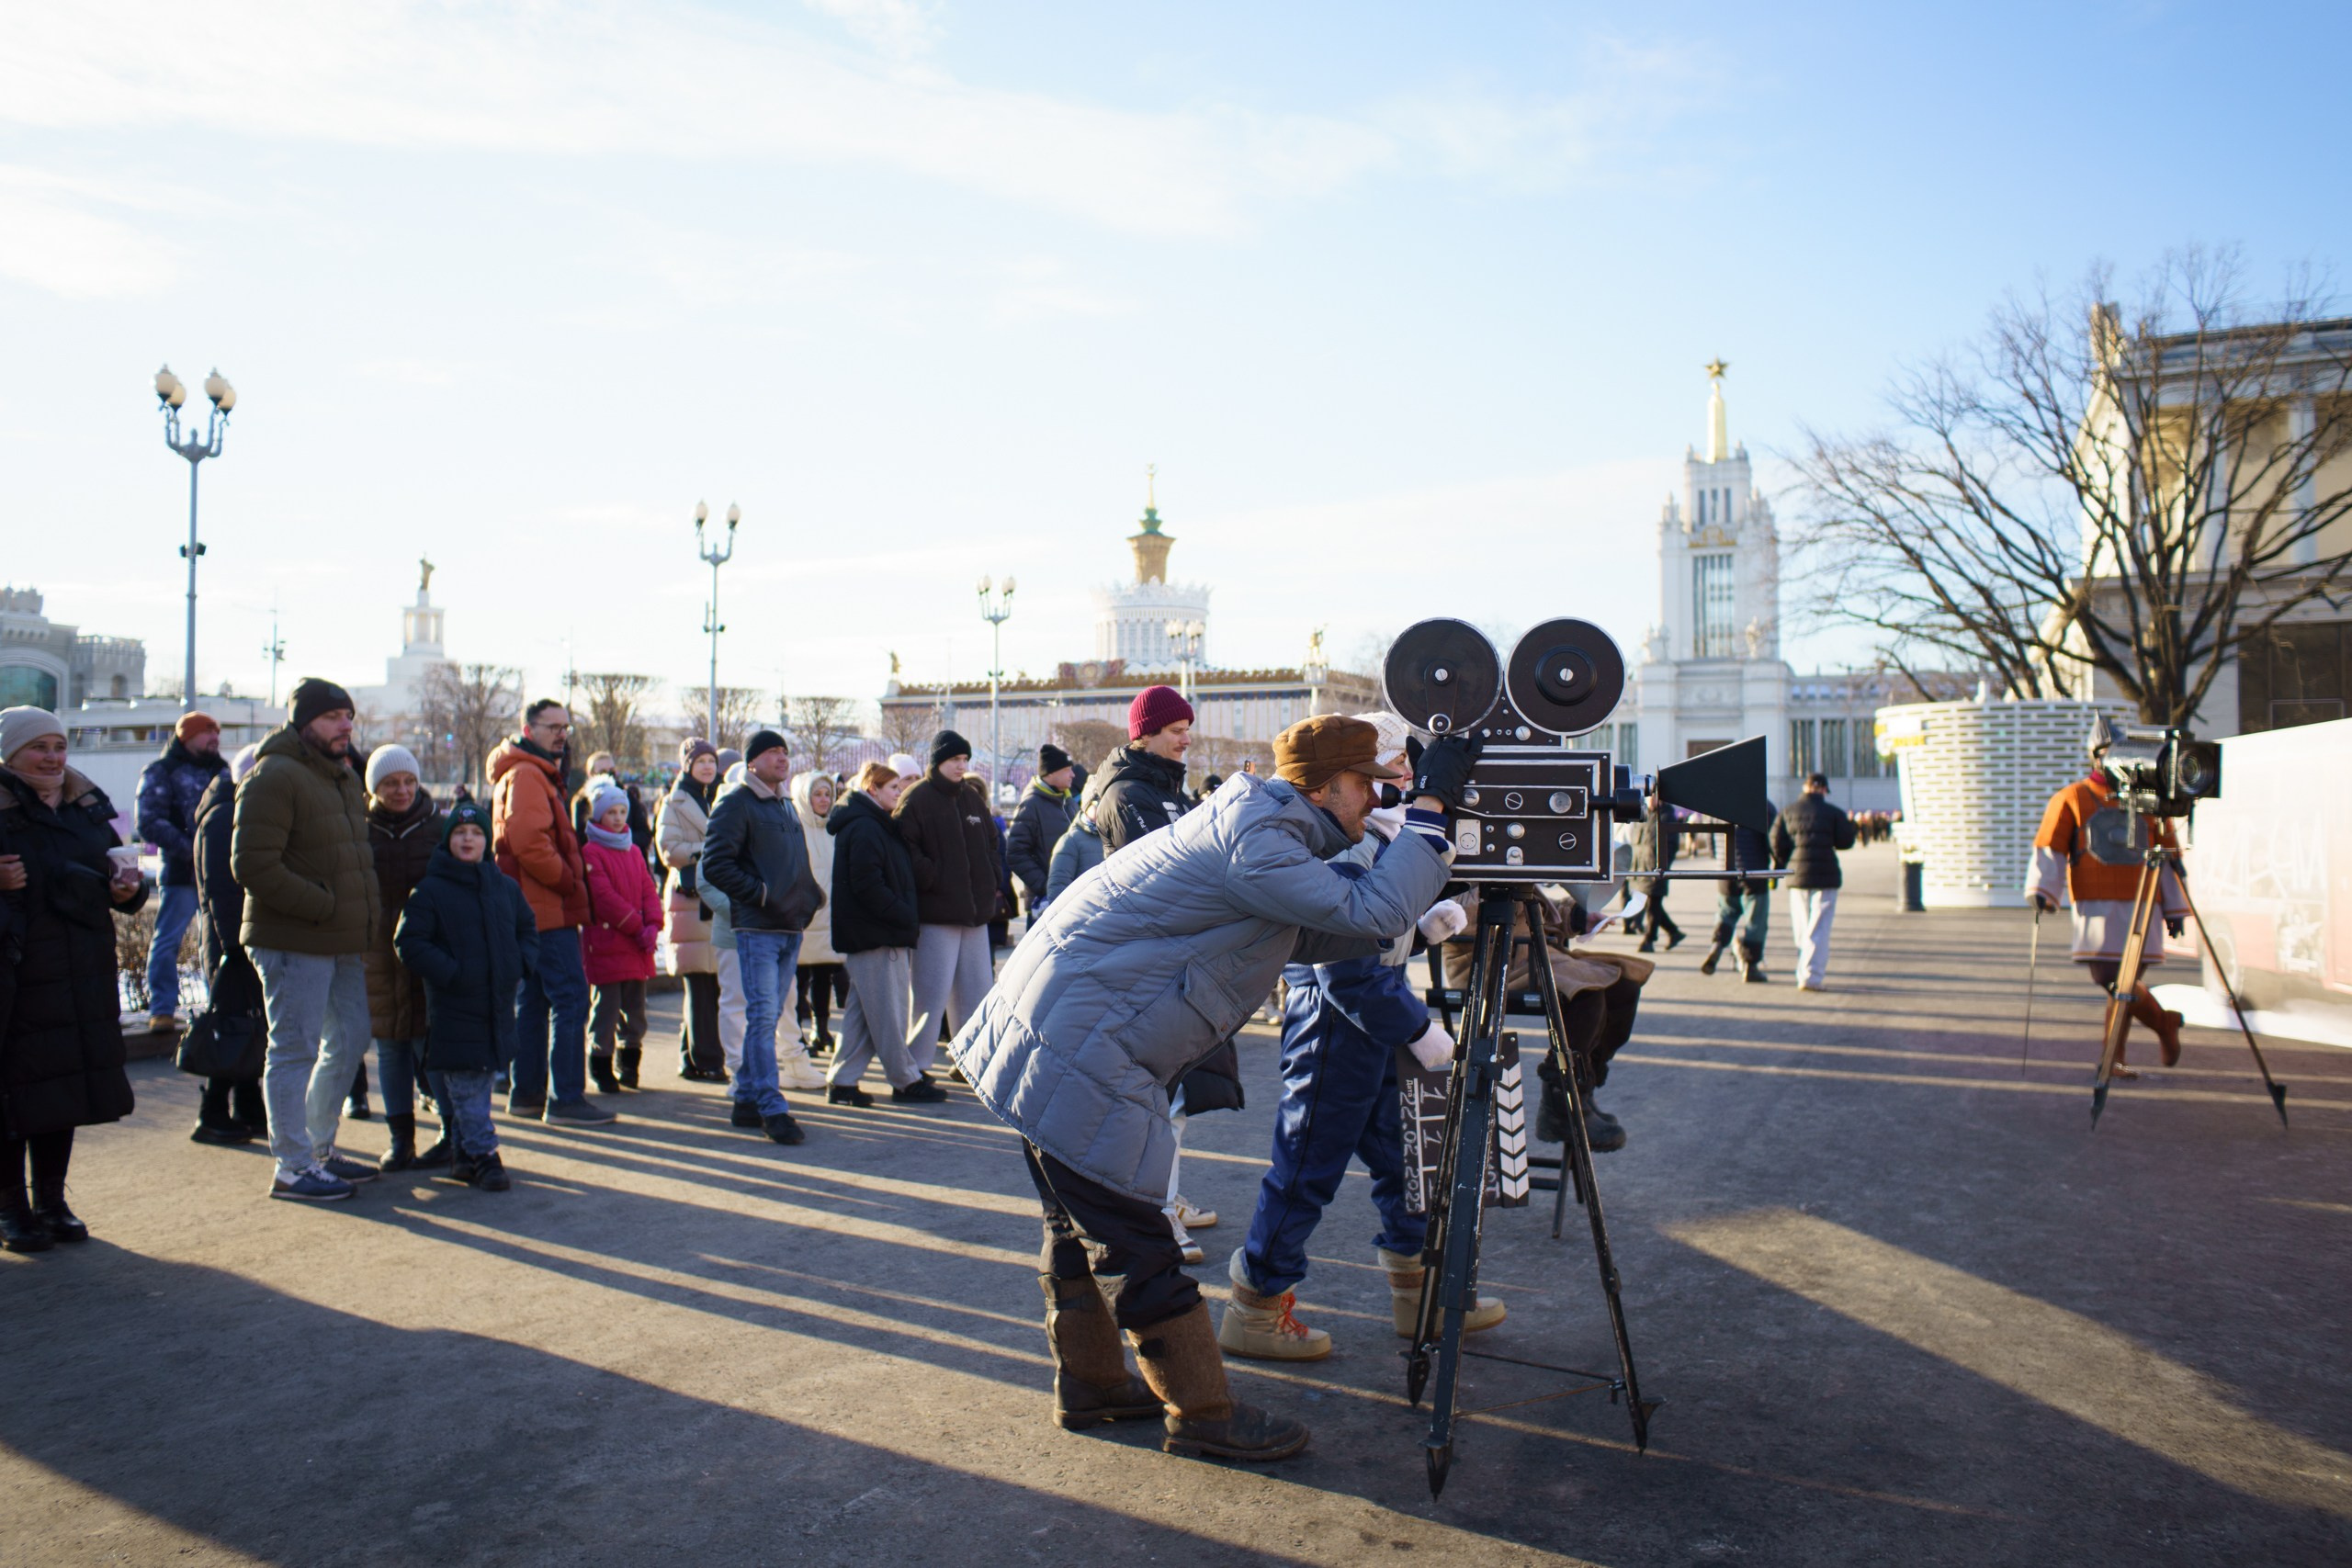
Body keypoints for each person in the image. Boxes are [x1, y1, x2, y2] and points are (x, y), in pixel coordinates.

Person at [950, 715, 1479, 1461]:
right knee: (1140, 1236)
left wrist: (1429, 921)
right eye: (1369, 784)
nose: (1377, 797)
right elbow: (1363, 910)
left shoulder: (1264, 829)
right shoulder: (1258, 839)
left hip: (1059, 1027)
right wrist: (1429, 813)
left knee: (1079, 1218)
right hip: (1081, 1041)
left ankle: (1096, 1384)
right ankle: (1203, 1412)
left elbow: (1341, 930)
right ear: (1325, 788)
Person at [1222, 713, 1505, 1360]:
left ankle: (1419, 1291)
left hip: (1363, 1021)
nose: (1397, 782)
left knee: (1402, 1159)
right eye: (1386, 771)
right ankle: (1257, 1304)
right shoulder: (1353, 845)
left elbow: (1373, 934)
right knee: (1305, 1169)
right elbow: (1347, 969)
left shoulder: (1370, 835)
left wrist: (1423, 924)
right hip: (1338, 1027)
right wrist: (1419, 1030)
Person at [232, 679, 386, 1201]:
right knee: (294, 1049)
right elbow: (251, 864)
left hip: (338, 938)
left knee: (350, 1037)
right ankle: (293, 1166)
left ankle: (318, 1149)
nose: (346, 725)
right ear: (304, 723)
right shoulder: (275, 775)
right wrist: (322, 905)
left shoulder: (340, 776)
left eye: (348, 715)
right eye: (332, 717)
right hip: (293, 937)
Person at [0, 706, 144, 1250]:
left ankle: (52, 1202)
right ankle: (11, 1208)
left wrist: (130, 893)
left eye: (59, 746)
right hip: (17, 970)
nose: (53, 757)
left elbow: (116, 874)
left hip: (79, 966)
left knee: (61, 1087)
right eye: (39, 747)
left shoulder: (85, 805)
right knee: (13, 1092)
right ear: (11, 753)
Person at [2026, 716, 2188, 1073]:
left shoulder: (2148, 799)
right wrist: (2042, 890)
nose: (2108, 759)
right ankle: (2161, 1024)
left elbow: (2168, 855)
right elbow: (2049, 845)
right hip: (2096, 906)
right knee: (2115, 980)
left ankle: (2112, 1058)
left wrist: (2175, 907)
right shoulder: (2073, 797)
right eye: (2102, 753)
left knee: (2122, 983)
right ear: (2093, 757)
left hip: (2143, 903)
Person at [395, 800, 538, 1191]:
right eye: (460, 833)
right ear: (448, 841)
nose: (468, 839)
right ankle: (485, 1155)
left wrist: (519, 964)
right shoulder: (431, 890)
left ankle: (462, 1154)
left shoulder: (504, 887)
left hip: (496, 1004)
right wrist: (452, 973)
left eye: (476, 833)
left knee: (476, 1081)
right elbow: (409, 942)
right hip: (455, 1006)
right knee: (469, 1084)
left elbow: (528, 928)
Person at [487, 699, 615, 1125]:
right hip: (545, 909)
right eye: (553, 727)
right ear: (528, 729)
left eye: (566, 727)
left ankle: (526, 1093)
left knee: (536, 1001)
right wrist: (567, 881)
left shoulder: (527, 772)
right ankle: (565, 1098)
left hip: (532, 908)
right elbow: (527, 841)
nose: (562, 734)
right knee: (570, 1000)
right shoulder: (527, 774)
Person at [699, 728, 824, 1144]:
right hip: (758, 927)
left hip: (789, 925)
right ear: (753, 761)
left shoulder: (786, 804)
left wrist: (809, 896)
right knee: (762, 1017)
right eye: (772, 751)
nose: (782, 758)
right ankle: (772, 1107)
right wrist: (762, 895)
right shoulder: (736, 802)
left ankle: (748, 1101)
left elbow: (794, 863)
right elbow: (715, 864)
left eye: (785, 751)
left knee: (769, 1016)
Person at [823, 760, 947, 1108]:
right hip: (877, 934)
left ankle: (843, 1081)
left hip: (874, 932)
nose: (899, 792)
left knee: (863, 1015)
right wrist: (903, 915)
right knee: (890, 1013)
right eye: (893, 787)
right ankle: (906, 1080)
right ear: (872, 789)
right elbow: (868, 884)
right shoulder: (865, 826)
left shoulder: (871, 823)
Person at [362, 744, 454, 1173]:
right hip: (377, 954)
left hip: (426, 952)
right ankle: (401, 1140)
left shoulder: (438, 828)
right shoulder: (361, 830)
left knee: (429, 1046)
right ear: (374, 788)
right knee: (390, 1048)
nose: (401, 790)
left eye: (408, 781)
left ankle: (452, 1132)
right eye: (390, 783)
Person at [895, 730, 1001, 1076]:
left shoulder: (971, 798)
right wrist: (934, 878)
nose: (961, 766)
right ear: (938, 761)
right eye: (955, 760)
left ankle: (969, 1061)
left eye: (965, 760)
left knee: (976, 993)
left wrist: (990, 882)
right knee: (929, 995)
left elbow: (991, 844)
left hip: (974, 914)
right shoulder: (917, 799)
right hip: (936, 914)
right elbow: (904, 849)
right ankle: (917, 1065)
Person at [188, 744, 268, 1145]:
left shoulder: (235, 809)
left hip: (236, 937)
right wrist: (234, 949)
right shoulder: (223, 818)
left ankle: (249, 1107)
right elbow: (221, 890)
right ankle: (213, 1112)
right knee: (230, 1024)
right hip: (229, 942)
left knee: (251, 1023)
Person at [134, 711, 227, 1034]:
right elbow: (148, 821)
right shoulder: (162, 771)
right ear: (186, 737)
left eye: (217, 733)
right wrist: (192, 850)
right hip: (181, 874)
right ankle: (162, 1009)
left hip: (220, 874)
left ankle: (222, 1006)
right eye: (207, 733)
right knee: (168, 940)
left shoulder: (223, 771)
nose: (214, 739)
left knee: (217, 942)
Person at [582, 781, 662, 1094]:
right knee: (606, 1008)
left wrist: (653, 923)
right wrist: (637, 926)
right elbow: (604, 897)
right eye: (611, 812)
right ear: (598, 816)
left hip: (636, 943)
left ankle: (629, 1063)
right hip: (608, 943)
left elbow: (647, 888)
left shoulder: (633, 851)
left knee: (635, 1007)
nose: (617, 818)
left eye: (622, 812)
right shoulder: (591, 852)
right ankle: (601, 1063)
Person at [658, 739, 729, 1083]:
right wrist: (709, 850)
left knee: (707, 983)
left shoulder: (720, 796)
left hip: (713, 898)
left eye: (710, 761)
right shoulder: (676, 801)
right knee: (701, 983)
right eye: (699, 761)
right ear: (687, 765)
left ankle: (691, 1059)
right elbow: (668, 850)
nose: (706, 767)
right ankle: (709, 1059)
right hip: (691, 901)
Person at [1772, 773, 1857, 993]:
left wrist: (1784, 862)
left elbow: (1776, 842)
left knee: (1802, 927)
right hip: (1826, 874)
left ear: (1805, 787)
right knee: (1819, 928)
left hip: (1797, 874)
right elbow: (1846, 842)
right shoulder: (1834, 813)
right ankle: (1812, 976)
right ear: (1823, 790)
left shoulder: (1788, 812)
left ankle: (1804, 970)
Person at [788, 770, 847, 1055]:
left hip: (830, 915)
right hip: (804, 914)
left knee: (824, 974)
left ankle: (821, 1030)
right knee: (799, 977)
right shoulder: (794, 826)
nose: (823, 800)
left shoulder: (833, 827)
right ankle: (797, 1032)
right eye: (817, 794)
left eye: (827, 794)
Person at [1096, 686, 1193, 848]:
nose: (1187, 740)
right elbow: (1160, 866)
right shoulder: (1126, 796)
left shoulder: (1173, 789)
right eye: (1176, 731)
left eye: (1187, 730)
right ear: (1147, 734)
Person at [1701, 802, 1777, 983]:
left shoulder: (1714, 801)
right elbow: (1773, 837)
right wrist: (1777, 863)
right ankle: (1750, 966)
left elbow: (1708, 836)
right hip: (1754, 871)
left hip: (1725, 869)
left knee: (1726, 912)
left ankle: (1717, 945)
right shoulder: (1761, 803)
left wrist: (1718, 857)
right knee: (1755, 921)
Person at [1005, 743, 1080, 919]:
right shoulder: (1031, 805)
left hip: (1072, 899)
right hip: (1044, 904)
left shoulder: (1068, 802)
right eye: (1067, 769)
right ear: (1051, 772)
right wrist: (1047, 886)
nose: (1073, 774)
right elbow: (1015, 853)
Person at [1628, 790, 1683, 953]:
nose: (1651, 799)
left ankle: (1649, 939)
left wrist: (1662, 867)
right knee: (1650, 904)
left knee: (1653, 905)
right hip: (1640, 868)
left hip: (1655, 869)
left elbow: (1672, 845)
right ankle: (1674, 932)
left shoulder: (1666, 817)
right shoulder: (1644, 815)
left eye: (1654, 796)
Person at [1044, 773, 1108, 905]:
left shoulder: (1114, 838)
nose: (1104, 809)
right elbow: (1058, 887)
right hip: (1081, 917)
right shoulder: (1071, 841)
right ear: (1087, 806)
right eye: (1098, 803)